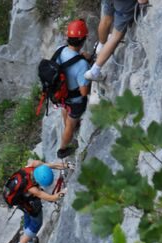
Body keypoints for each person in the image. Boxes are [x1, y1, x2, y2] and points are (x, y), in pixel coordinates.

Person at [7, 160, 67, 243]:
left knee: (28, 216)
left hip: (21, 201)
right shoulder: (32, 189)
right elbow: (51, 198)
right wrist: (65, 191)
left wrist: (64, 165)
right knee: (36, 224)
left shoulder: (32, 165)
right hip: (28, 202)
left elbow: (47, 166)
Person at [85, 0, 149, 82]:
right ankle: (94, 71)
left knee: (106, 19)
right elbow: (142, 1)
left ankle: (101, 46)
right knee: (115, 36)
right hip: (124, 4)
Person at [55, 19, 91, 159]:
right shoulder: (82, 65)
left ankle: (67, 123)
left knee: (65, 108)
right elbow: (83, 92)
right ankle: (62, 150)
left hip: (61, 94)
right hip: (74, 100)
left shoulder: (60, 50)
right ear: (82, 40)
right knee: (70, 125)